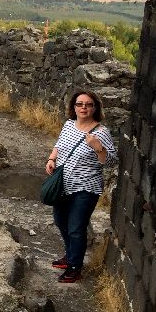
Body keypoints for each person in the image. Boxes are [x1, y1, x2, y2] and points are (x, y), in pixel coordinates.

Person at [45, 89, 117, 283]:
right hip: (63, 185)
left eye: (88, 104)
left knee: (76, 228)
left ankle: (75, 266)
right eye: (79, 104)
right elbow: (59, 144)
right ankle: (70, 255)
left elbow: (111, 162)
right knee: (61, 222)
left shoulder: (101, 132)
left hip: (86, 188)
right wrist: (51, 159)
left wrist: (98, 147)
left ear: (95, 108)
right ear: (74, 107)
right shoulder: (69, 125)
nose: (83, 107)